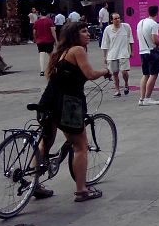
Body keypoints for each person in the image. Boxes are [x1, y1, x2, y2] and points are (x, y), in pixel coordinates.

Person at [37, 22, 112, 201]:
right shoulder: (78, 50)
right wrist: (105, 71)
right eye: (84, 31)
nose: (88, 34)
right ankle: (81, 190)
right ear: (74, 35)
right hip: (68, 103)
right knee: (80, 146)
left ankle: (35, 183)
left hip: (49, 99)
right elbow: (90, 74)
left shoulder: (59, 52)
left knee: (45, 142)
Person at [136, 4, 159, 106]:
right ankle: (148, 98)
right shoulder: (154, 24)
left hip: (142, 51)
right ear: (157, 12)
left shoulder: (140, 23)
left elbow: (138, 37)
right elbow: (155, 39)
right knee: (154, 75)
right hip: (151, 52)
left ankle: (142, 98)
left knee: (145, 75)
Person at [100, 12, 133, 97]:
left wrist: (131, 51)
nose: (117, 20)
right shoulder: (107, 29)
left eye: (118, 18)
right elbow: (105, 43)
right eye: (115, 19)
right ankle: (117, 90)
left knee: (124, 71)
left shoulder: (126, 27)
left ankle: (126, 84)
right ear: (111, 20)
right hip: (112, 54)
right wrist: (105, 56)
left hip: (123, 53)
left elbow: (130, 39)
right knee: (115, 73)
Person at [33, 7, 57, 76]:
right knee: (50, 54)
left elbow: (34, 32)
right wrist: (56, 40)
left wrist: (35, 39)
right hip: (49, 40)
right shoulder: (49, 21)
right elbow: (53, 31)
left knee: (41, 54)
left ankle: (42, 70)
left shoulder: (37, 22)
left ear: (40, 14)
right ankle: (51, 68)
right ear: (47, 14)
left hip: (40, 41)